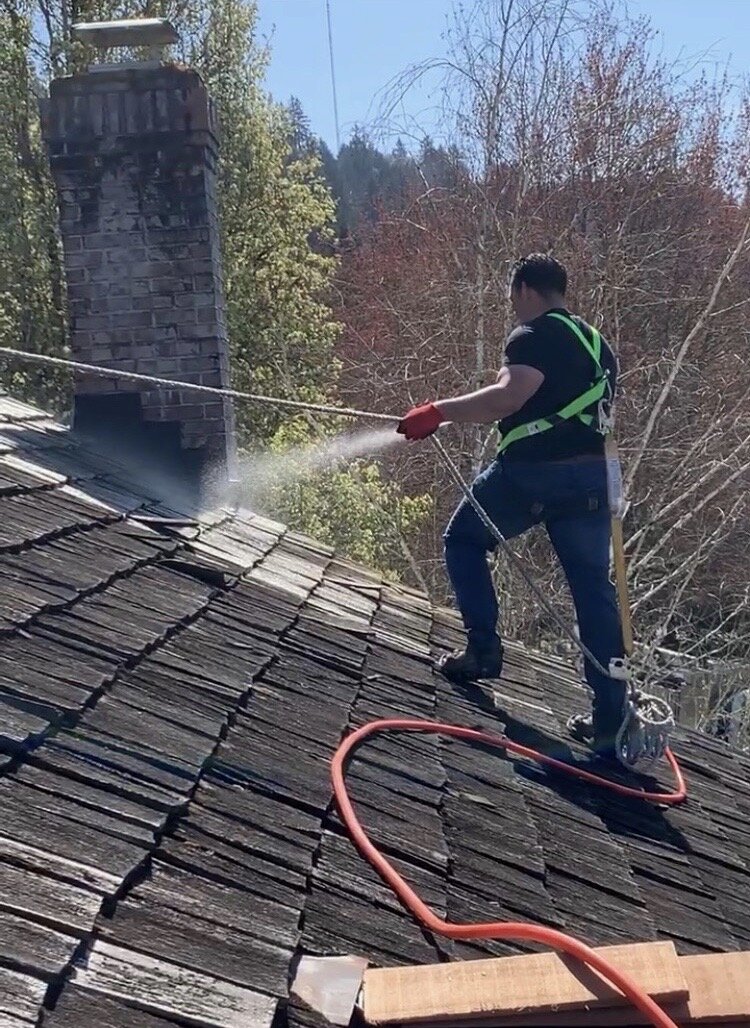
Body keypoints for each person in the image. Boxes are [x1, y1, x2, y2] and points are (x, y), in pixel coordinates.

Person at [397, 253, 625, 760]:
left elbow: (508, 398)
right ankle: (612, 718)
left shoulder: (533, 335)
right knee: (593, 591)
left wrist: (438, 412)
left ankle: (482, 651)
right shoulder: (599, 347)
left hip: (535, 474)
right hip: (593, 480)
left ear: (523, 288)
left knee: (463, 538)